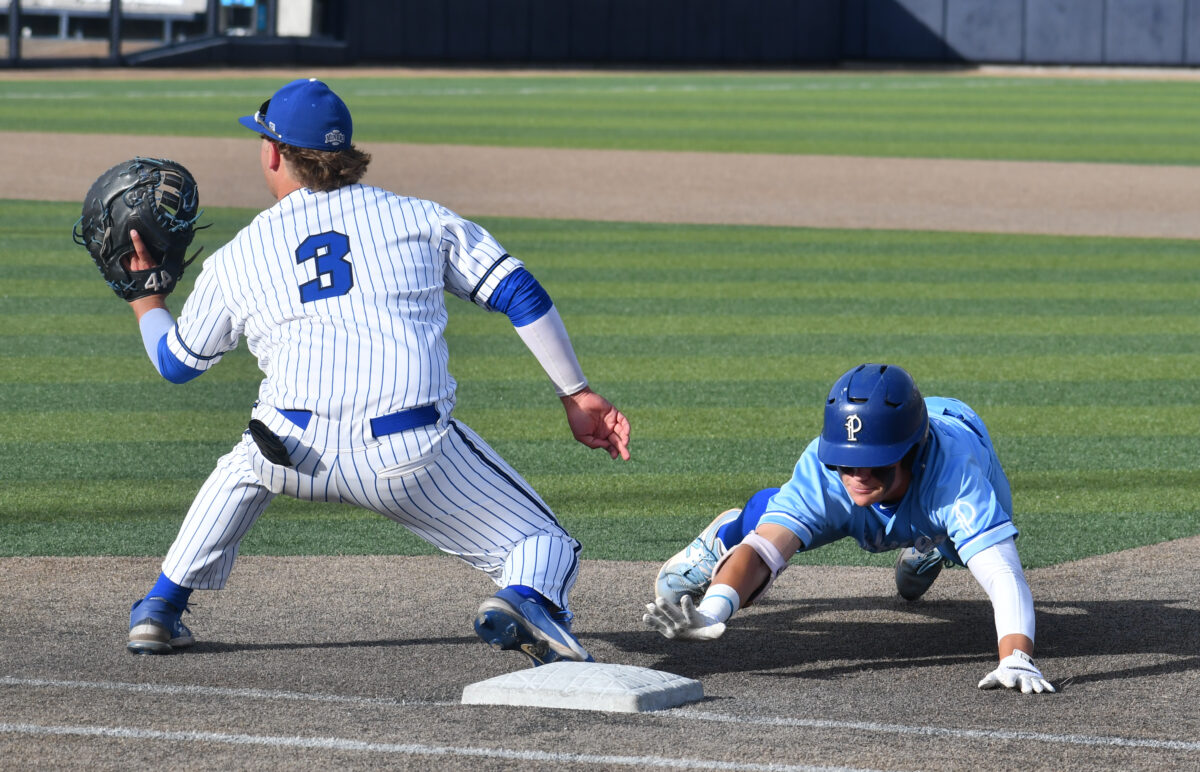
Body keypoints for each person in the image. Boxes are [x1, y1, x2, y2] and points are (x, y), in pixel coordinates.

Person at [121, 78, 630, 667]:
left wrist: (146, 299)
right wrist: (577, 394)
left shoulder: (239, 255)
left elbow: (176, 364)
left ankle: (159, 608)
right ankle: (524, 597)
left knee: (244, 466)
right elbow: (520, 292)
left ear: (272, 152)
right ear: (345, 154)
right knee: (546, 544)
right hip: (409, 458)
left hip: (291, 450)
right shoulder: (420, 219)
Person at [644, 363, 1054, 694]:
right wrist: (713, 610)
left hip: (957, 450)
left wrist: (1016, 657)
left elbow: (1004, 575)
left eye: (876, 462)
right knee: (766, 518)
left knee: (971, 548)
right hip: (906, 499)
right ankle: (719, 540)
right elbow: (765, 551)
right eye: (846, 461)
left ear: (912, 452)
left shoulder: (957, 479)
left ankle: (930, 543)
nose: (857, 475)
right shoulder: (823, 472)